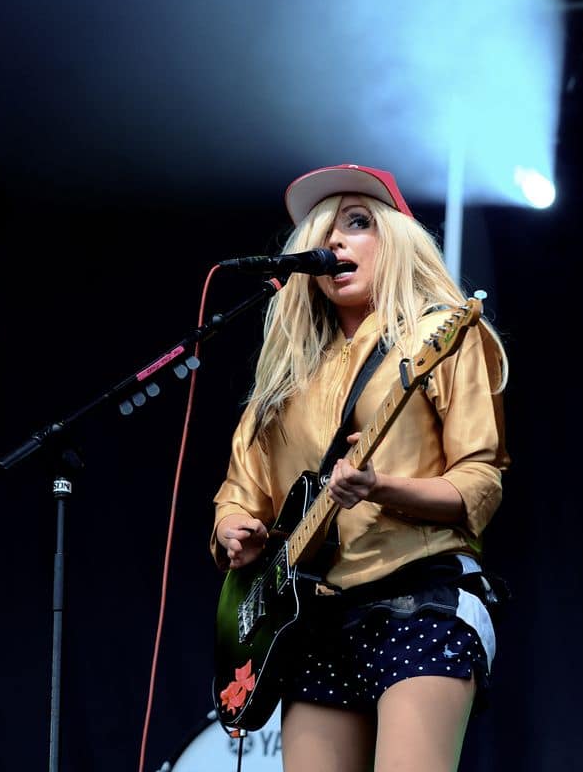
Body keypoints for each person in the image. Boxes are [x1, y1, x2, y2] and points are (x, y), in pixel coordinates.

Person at [211, 164, 510, 772]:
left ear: (398, 239)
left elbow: (480, 481)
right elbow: (242, 491)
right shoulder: (285, 380)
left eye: (357, 223)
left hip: (421, 598)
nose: (336, 242)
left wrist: (382, 488)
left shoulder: (440, 336)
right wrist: (231, 526)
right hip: (313, 621)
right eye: (323, 230)